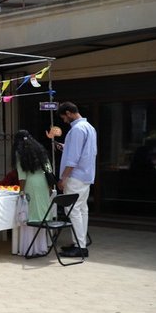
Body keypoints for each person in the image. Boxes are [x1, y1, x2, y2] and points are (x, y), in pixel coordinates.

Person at [55, 101, 97, 258]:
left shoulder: (77, 129)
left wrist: (63, 178)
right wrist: (65, 147)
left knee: (73, 211)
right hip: (86, 175)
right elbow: (85, 152)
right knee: (82, 210)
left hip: (75, 176)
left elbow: (73, 159)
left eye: (64, 118)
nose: (64, 121)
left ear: (68, 113)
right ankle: (80, 243)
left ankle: (80, 246)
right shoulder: (89, 127)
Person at [13, 130, 53, 257]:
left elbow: (22, 175)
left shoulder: (20, 153)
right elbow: (49, 169)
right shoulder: (40, 149)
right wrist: (50, 186)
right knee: (41, 216)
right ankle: (41, 247)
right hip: (43, 183)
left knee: (30, 216)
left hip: (31, 185)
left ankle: (29, 249)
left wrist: (21, 190)